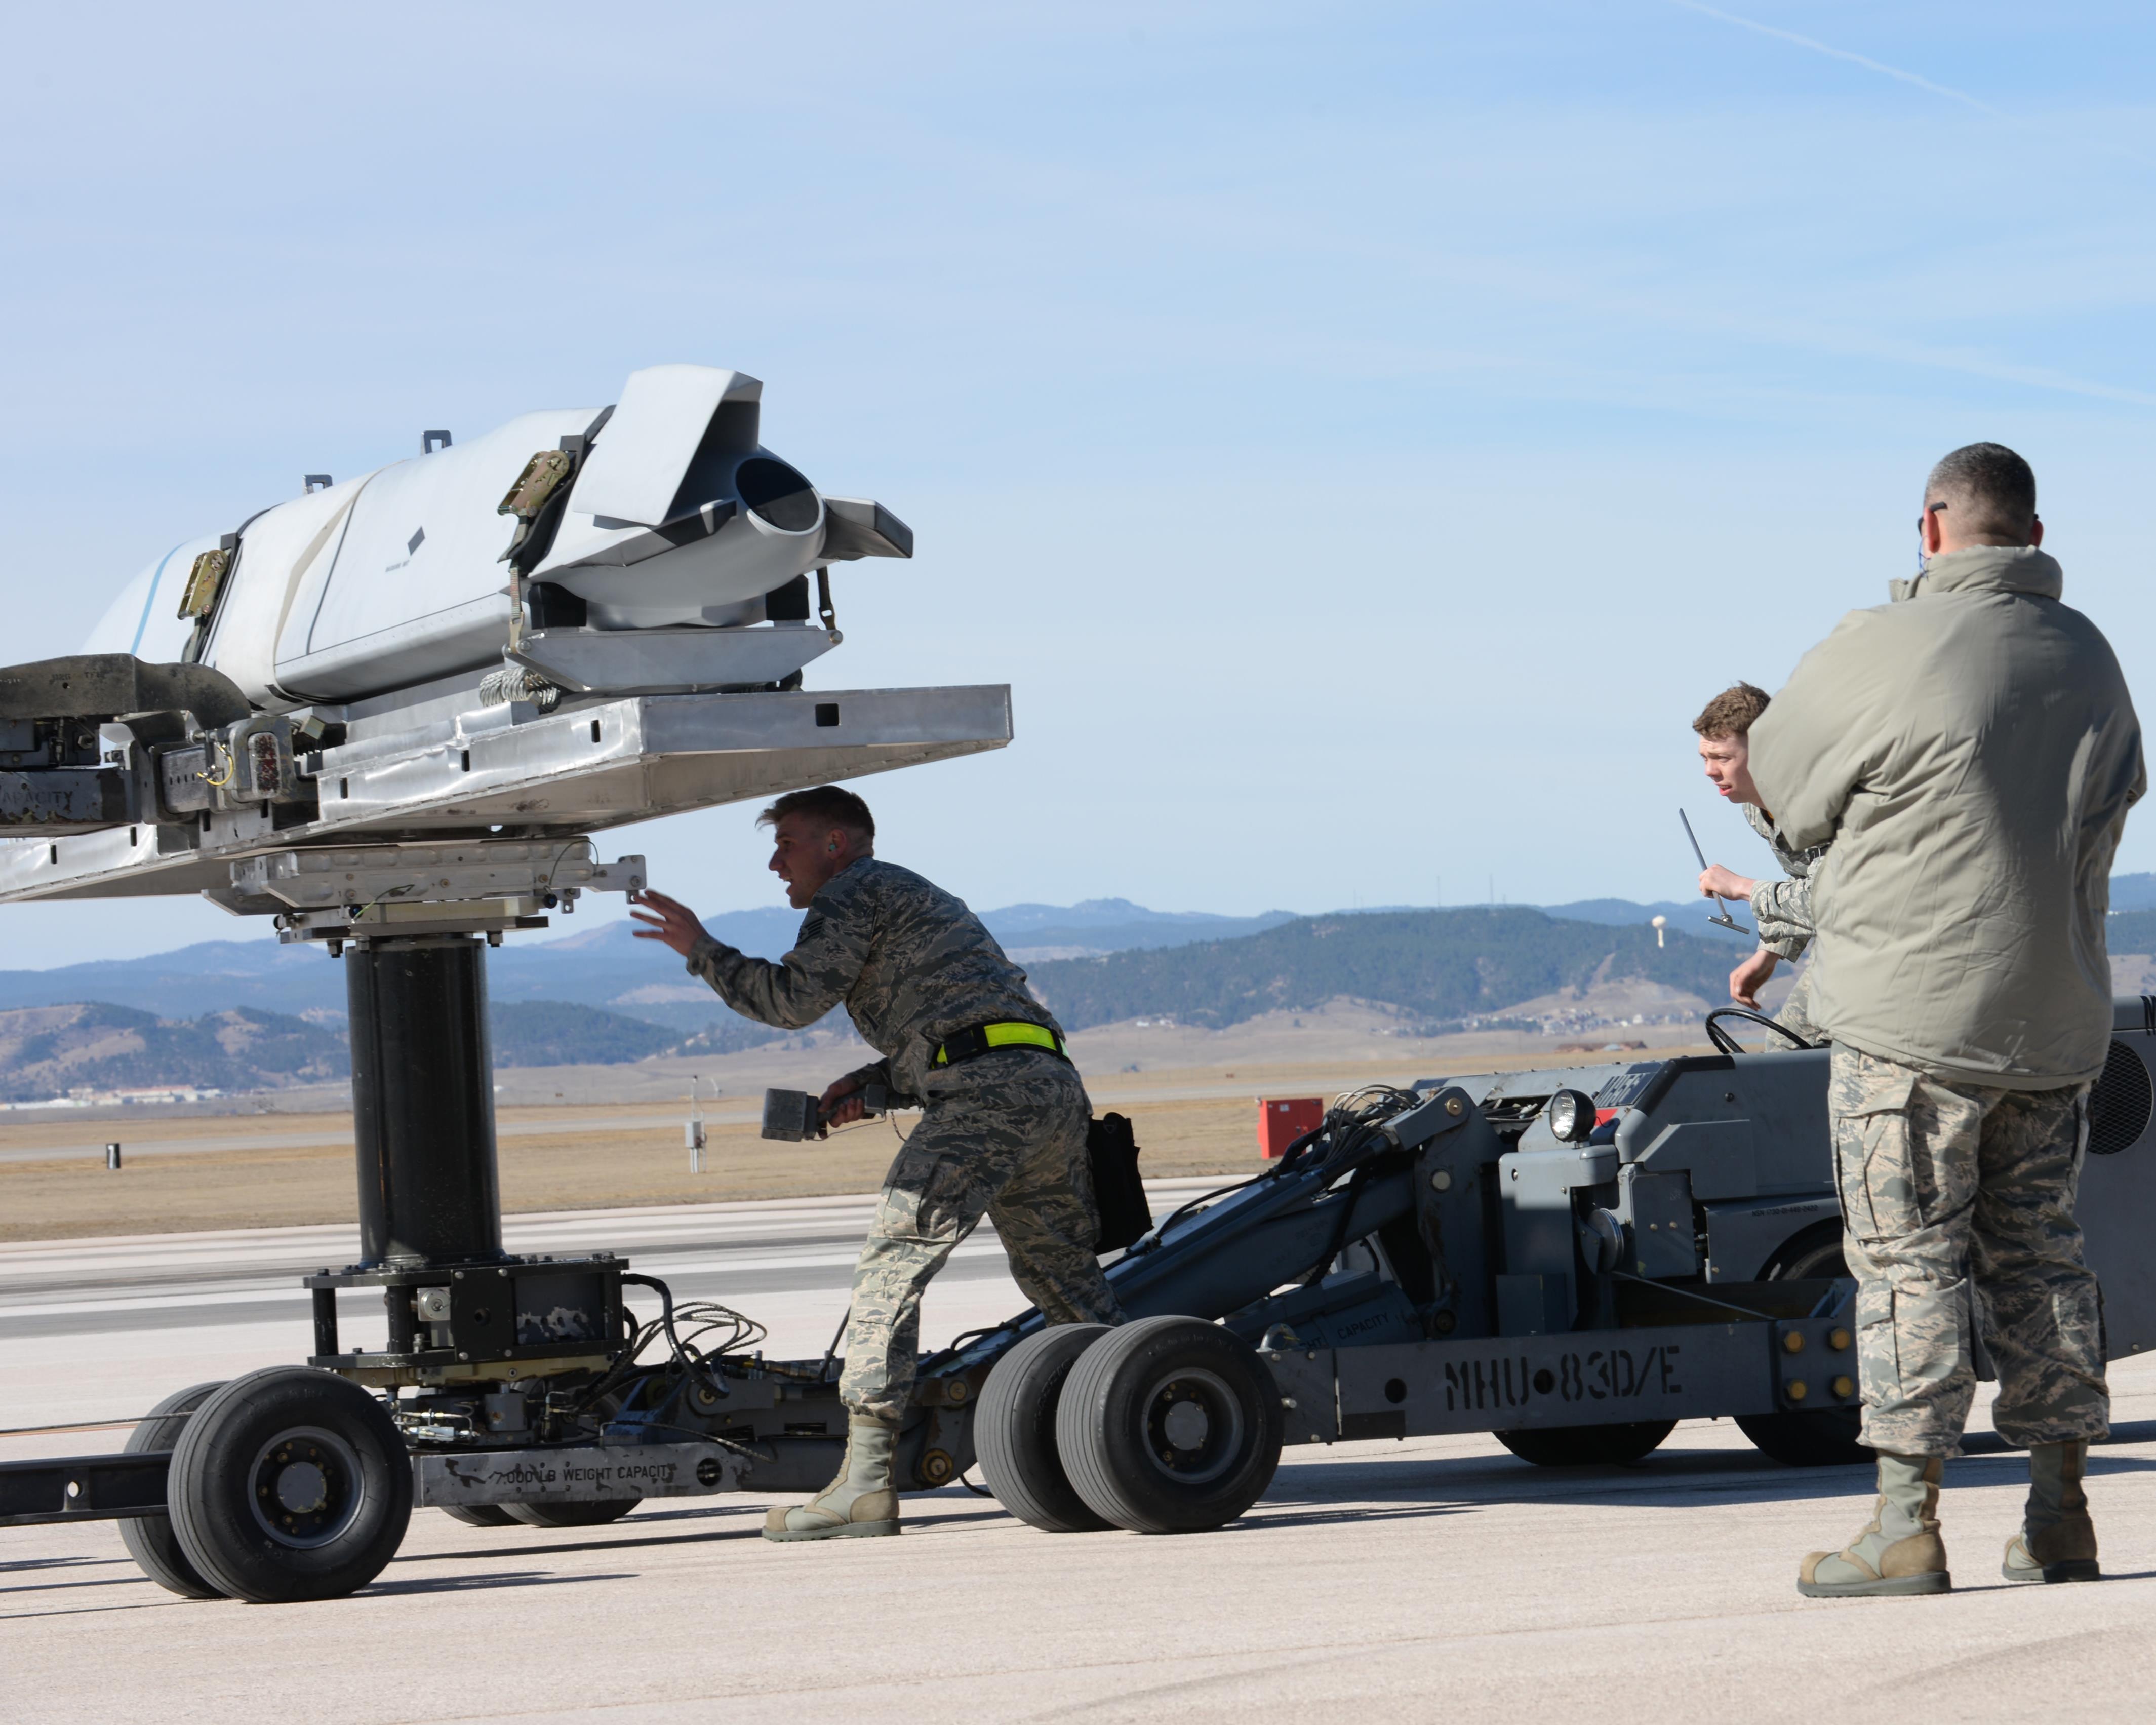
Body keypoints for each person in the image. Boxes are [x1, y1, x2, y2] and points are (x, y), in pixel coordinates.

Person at [1748, 442, 2143, 1598]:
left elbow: (1781, 780)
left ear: (1928, 529)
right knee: (2041, 1262)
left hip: (1909, 1027)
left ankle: (1904, 1524)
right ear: (2033, 530)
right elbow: (2114, 798)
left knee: (1909, 1265)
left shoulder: (1879, 645)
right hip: (2057, 1019)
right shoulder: (2091, 657)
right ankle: (2060, 1514)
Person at [628, 784, 1124, 1542]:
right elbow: (973, 1023)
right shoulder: (909, 893)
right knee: (1065, 1279)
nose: (774, 862)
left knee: (890, 1267)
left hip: (987, 1098)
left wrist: (699, 948)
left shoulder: (854, 890)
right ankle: (1123, 1435)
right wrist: (878, 1083)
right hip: (1046, 1089)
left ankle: (863, 1483)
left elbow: (789, 1000)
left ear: (836, 844)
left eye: (787, 842)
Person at [1691, 681, 1829, 1045]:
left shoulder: (1822, 802)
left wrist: (1741, 888)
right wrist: (1770, 953)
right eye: (1705, 757)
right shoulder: (1758, 807)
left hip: (1905, 946)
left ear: (1767, 751)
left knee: (1793, 1051)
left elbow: (1835, 898)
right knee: (1786, 1048)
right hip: (1851, 943)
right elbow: (1803, 878)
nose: (1709, 770)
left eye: (1722, 758)